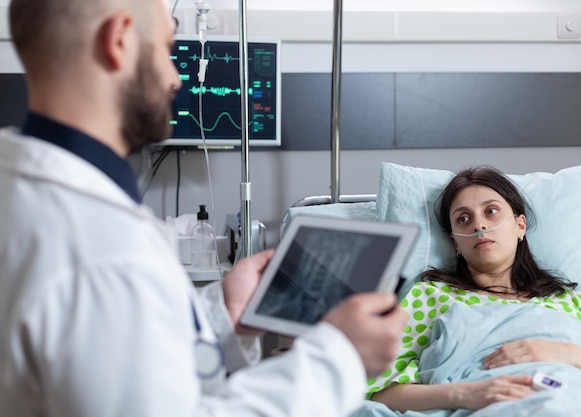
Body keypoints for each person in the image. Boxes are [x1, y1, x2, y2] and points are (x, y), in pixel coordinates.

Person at [0, 1, 408, 416]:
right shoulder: (105, 249)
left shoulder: (20, 190)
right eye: (166, 47)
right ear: (119, 41)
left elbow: (126, 363)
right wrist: (338, 358)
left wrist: (220, 316)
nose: (176, 76)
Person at [365, 166, 581, 414]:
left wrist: (572, 354)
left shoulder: (573, 303)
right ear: (455, 242)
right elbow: (380, 392)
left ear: (520, 225)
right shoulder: (431, 296)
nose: (479, 226)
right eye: (463, 219)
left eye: (491, 211)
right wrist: (465, 393)